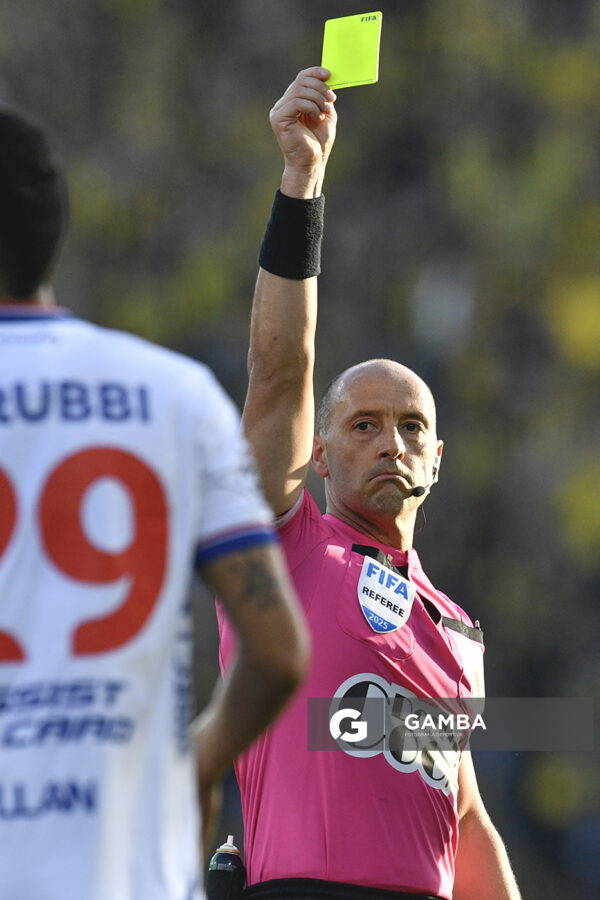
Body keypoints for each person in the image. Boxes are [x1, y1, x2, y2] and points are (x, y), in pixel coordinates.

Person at [217, 68, 522, 900]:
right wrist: (302, 180)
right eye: (362, 425)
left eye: (411, 427)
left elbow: (463, 818)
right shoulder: (285, 544)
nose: (391, 442)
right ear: (319, 457)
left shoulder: (457, 630)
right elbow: (278, 374)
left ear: (437, 459)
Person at [0, 106, 309, 900]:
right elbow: (277, 653)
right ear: (53, 233)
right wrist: (197, 764)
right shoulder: (172, 397)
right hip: (130, 869)